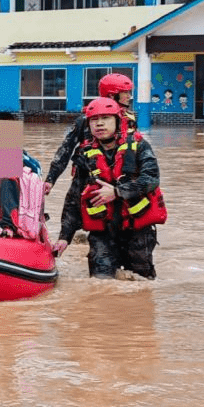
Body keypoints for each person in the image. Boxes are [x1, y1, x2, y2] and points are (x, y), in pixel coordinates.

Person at [52, 97, 165, 279]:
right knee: (100, 282)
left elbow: (151, 179)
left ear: (118, 120)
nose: (99, 123)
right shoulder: (85, 154)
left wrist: (116, 192)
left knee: (141, 283)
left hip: (136, 231)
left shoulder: (139, 146)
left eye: (105, 118)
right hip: (103, 232)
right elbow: (74, 198)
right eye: (94, 120)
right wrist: (65, 237)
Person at [43, 73, 136, 254]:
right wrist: (50, 179)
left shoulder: (130, 121)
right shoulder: (84, 121)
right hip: (87, 175)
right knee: (74, 204)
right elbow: (65, 150)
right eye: (125, 92)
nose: (129, 96)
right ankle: (68, 237)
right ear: (112, 95)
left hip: (117, 179)